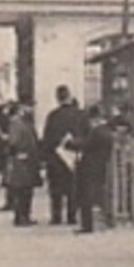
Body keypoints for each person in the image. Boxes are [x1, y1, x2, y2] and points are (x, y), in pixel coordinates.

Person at [41, 85, 88, 225]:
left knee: (56, 189)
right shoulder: (81, 115)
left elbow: (47, 138)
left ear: (57, 98)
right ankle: (71, 216)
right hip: (75, 155)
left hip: (56, 157)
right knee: (72, 187)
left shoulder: (53, 116)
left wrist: (45, 157)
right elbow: (86, 135)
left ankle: (56, 216)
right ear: (69, 96)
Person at [75, 104, 117, 233]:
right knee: (99, 194)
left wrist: (69, 143)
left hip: (90, 167)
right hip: (100, 166)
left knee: (87, 196)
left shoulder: (97, 132)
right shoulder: (107, 131)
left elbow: (86, 144)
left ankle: (88, 225)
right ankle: (103, 221)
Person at [4, 101, 43, 226]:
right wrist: (16, 154)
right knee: (21, 189)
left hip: (29, 160)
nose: (31, 109)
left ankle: (25, 215)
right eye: (29, 106)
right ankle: (21, 217)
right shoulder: (17, 122)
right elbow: (13, 142)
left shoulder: (26, 122)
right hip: (21, 160)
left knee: (27, 189)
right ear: (22, 107)